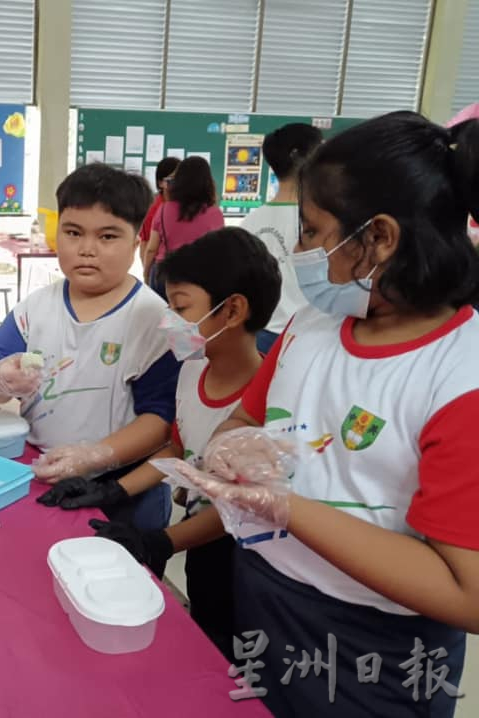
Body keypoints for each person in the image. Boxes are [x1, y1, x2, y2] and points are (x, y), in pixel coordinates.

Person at [186, 112, 479, 718]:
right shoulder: (309, 328)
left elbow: (466, 593)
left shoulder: (460, 374)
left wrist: (292, 510)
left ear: (379, 238)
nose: (300, 252)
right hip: (263, 599)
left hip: (372, 651)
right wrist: (231, 448)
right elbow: (244, 421)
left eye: (313, 232)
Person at [74, 228, 280, 658]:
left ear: (233, 310)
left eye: (181, 307)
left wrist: (162, 542)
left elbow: (239, 507)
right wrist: (115, 488)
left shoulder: (269, 399)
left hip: (247, 560)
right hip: (201, 547)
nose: (169, 320)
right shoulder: (191, 372)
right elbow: (177, 449)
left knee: (240, 660)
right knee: (203, 642)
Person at [0, 164, 181, 530]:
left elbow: (161, 420)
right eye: (73, 232)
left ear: (136, 244)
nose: (87, 249)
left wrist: (96, 455)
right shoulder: (34, 309)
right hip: (44, 474)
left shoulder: (153, 320)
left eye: (107, 237)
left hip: (123, 490)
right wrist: (1, 379)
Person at [242, 123, 323, 353]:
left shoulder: (250, 222)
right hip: (306, 335)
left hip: (260, 335)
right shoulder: (319, 222)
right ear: (306, 157)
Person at [143, 156, 224, 287]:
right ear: (208, 182)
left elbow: (151, 249)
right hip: (199, 277)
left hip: (165, 274)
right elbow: (217, 253)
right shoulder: (215, 214)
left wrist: (146, 274)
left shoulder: (164, 209)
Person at [138, 156, 181, 264]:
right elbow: (146, 244)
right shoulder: (154, 209)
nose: (178, 184)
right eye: (172, 180)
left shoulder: (186, 204)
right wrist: (147, 274)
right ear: (160, 183)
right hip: (160, 267)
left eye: (181, 179)